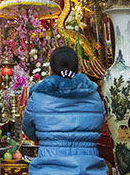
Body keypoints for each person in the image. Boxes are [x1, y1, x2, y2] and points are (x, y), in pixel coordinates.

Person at [22, 46, 108, 175]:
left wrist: (48, 137)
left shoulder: (38, 97)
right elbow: (99, 125)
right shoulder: (94, 96)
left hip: (48, 168)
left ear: (50, 70)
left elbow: (29, 130)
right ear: (78, 68)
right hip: (89, 169)